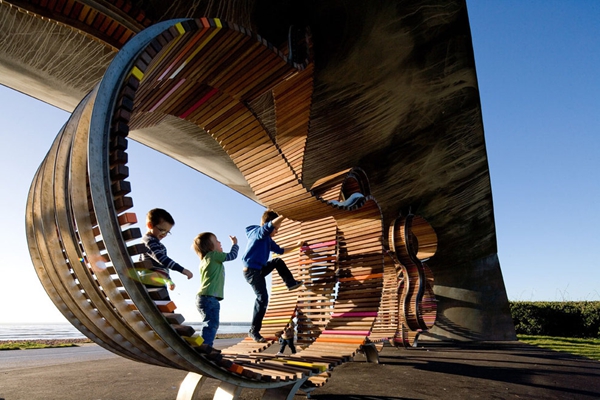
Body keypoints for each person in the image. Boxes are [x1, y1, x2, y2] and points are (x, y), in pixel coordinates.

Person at [242, 210, 303, 343]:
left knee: (277, 261)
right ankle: (253, 330)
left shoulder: (268, 240)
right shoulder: (257, 232)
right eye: (276, 229)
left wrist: (297, 246)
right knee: (262, 298)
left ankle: (291, 283)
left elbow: (280, 250)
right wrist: (284, 215)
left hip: (260, 270)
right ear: (269, 225)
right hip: (251, 272)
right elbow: (266, 228)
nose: (277, 232)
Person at [192, 232, 238, 347]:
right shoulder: (213, 255)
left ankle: (201, 345)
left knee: (208, 324)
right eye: (216, 241)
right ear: (210, 247)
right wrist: (235, 244)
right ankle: (205, 348)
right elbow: (232, 256)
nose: (219, 242)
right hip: (209, 297)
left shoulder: (205, 260)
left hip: (203, 297)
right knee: (211, 324)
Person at [139, 208, 193, 299]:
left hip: (154, 280)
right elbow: (161, 259)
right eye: (162, 230)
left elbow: (162, 266)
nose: (164, 234)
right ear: (150, 225)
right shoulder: (149, 241)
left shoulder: (156, 244)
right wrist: (182, 270)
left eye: (167, 232)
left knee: (164, 305)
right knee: (165, 305)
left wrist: (169, 280)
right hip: (152, 280)